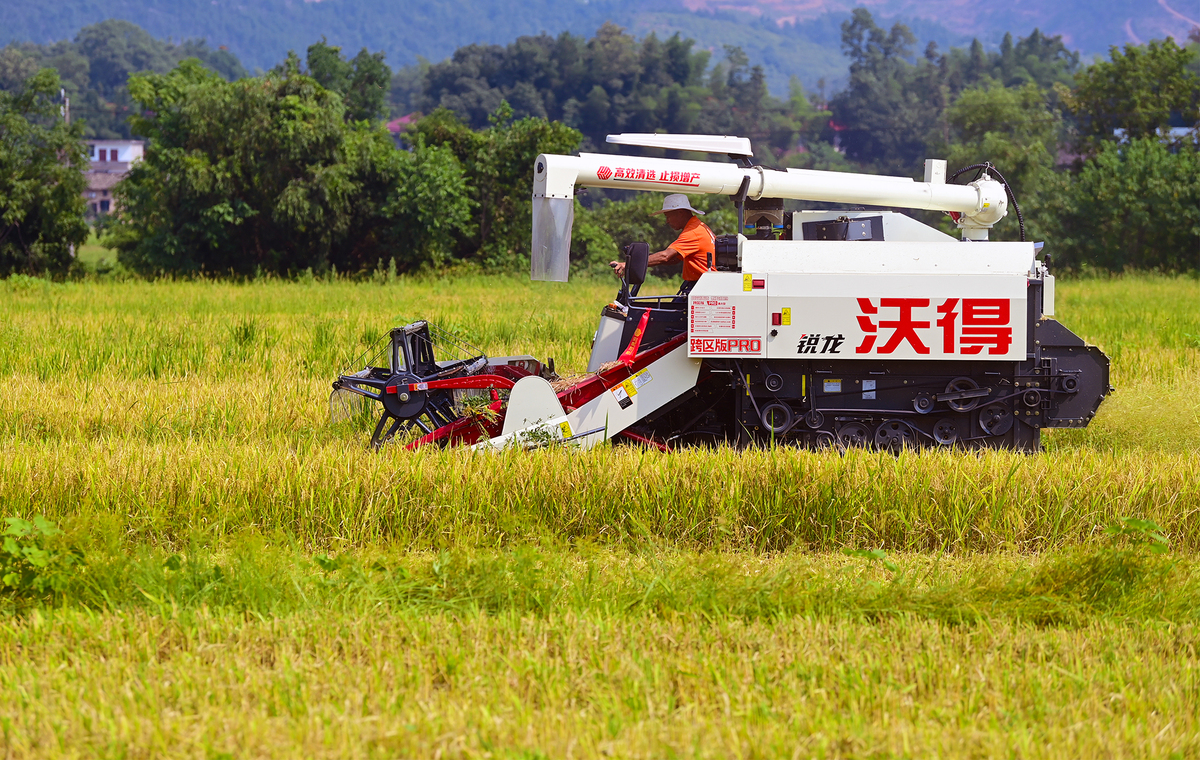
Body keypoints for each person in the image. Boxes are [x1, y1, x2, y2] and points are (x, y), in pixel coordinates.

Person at [611, 194, 715, 294]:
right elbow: (672, 259)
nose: (667, 221)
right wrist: (640, 258)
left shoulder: (692, 232)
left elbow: (665, 256)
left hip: (703, 287)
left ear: (680, 213)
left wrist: (628, 264)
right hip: (703, 285)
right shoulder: (698, 227)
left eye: (668, 216)